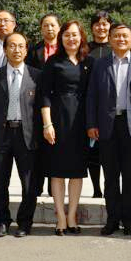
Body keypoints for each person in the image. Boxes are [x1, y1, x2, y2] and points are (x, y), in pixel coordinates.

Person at [87, 24, 131, 236]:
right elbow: (92, 96)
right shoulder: (100, 64)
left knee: (130, 176)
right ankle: (112, 220)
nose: (121, 39)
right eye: (116, 36)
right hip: (107, 126)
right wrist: (91, 124)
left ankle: (129, 221)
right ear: (110, 39)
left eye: (125, 36)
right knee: (110, 177)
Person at [0, 32, 41, 238]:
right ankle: (2, 221)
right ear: (5, 50)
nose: (17, 50)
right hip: (2, 133)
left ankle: (25, 222)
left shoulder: (37, 76)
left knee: (28, 183)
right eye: (12, 46)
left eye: (21, 46)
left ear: (26, 50)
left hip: (27, 134)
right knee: (1, 181)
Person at [40, 20, 92, 235]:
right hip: (58, 118)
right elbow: (44, 94)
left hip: (81, 121)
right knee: (58, 170)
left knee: (77, 171)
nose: (71, 39)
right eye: (67, 35)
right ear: (61, 38)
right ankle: (60, 216)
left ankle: (72, 215)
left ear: (81, 37)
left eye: (75, 35)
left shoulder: (89, 62)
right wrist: (47, 124)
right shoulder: (53, 62)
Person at [26, 13, 60, 198]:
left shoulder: (65, 49)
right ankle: (37, 186)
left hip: (60, 104)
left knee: (56, 146)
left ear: (59, 28)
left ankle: (53, 188)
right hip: (37, 102)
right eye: (46, 25)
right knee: (38, 147)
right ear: (41, 29)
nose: (49, 28)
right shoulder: (34, 50)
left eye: (53, 25)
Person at [85, 10, 114, 198]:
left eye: (104, 23)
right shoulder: (85, 49)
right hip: (89, 104)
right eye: (97, 24)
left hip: (111, 107)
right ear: (92, 27)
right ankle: (96, 189)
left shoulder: (115, 48)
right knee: (93, 151)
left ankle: (110, 187)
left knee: (110, 152)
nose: (101, 27)